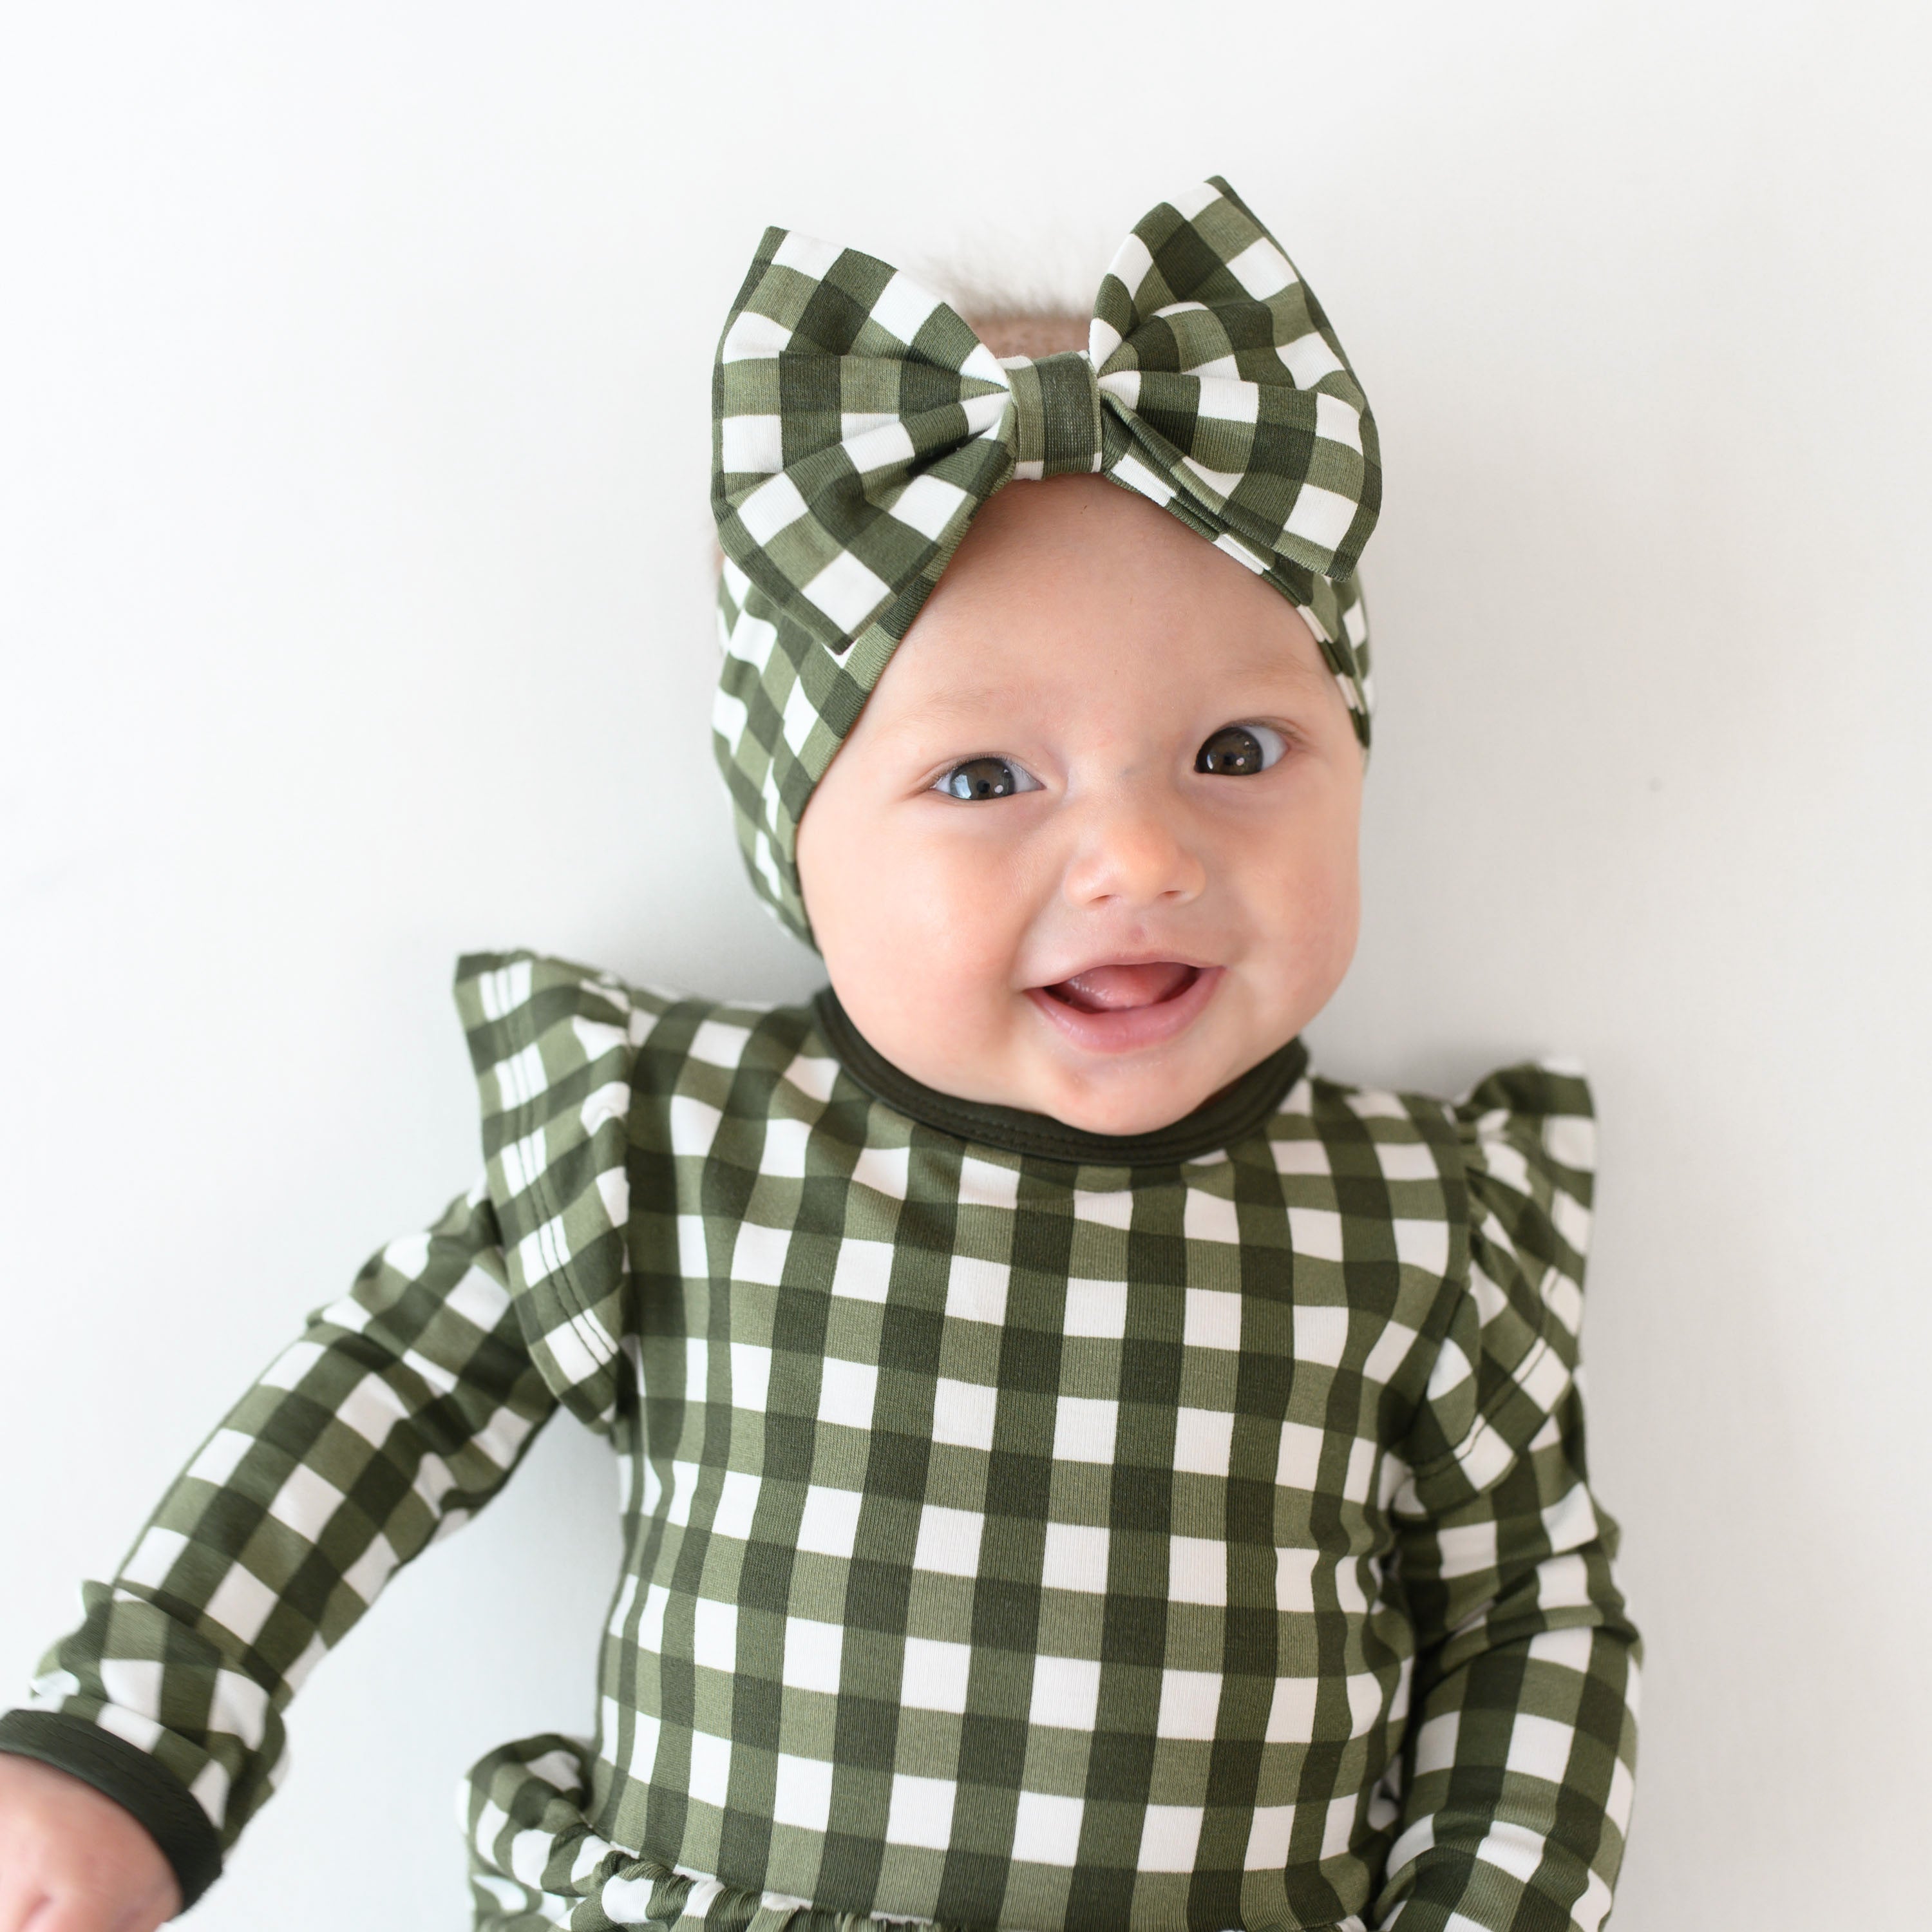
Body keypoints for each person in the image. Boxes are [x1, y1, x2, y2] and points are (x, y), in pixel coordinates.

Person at [0, 178, 1640, 1932]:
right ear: (799, 837)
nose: (1144, 860)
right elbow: (378, 1405)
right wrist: (125, 1747)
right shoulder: (674, 1149)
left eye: (1238, 748)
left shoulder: (1412, 1228)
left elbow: (1527, 1618)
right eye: (989, 780)